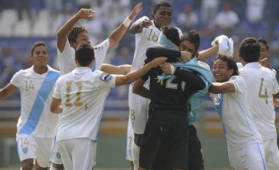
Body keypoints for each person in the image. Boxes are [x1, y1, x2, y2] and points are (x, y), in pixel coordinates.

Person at [51, 3, 143, 168]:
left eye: (88, 38)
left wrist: (131, 17)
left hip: (87, 125)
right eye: (84, 39)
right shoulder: (67, 54)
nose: (89, 41)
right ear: (72, 44)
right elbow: (60, 35)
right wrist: (78, 16)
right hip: (67, 121)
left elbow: (113, 39)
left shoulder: (95, 53)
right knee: (58, 166)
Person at [50, 44, 166, 170]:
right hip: (82, 137)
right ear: (93, 60)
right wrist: (150, 65)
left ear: (75, 60)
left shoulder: (62, 80)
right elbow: (126, 79)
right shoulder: (96, 77)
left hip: (62, 136)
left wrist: (71, 109)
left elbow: (54, 108)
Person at [133, 26, 207, 170]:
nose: (185, 51)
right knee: (177, 165)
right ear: (178, 45)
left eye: (188, 49)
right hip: (178, 120)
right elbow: (200, 84)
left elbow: (136, 87)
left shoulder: (157, 60)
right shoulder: (190, 66)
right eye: (183, 47)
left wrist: (154, 95)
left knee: (145, 165)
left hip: (159, 116)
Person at [127, 2, 181, 169]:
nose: (165, 16)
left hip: (160, 88)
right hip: (138, 85)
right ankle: (137, 166)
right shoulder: (146, 24)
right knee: (138, 136)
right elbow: (132, 29)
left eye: (168, 14)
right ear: (153, 14)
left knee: (160, 135)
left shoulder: (175, 33)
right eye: (162, 13)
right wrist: (139, 23)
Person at [0, 42, 60, 170]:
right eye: (37, 53)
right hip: (27, 129)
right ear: (31, 57)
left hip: (49, 132)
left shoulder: (57, 76)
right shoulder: (22, 75)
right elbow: (4, 92)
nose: (41, 55)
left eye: (44, 52)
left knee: (43, 167)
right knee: (27, 164)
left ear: (48, 56)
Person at [209, 55, 266, 169]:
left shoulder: (237, 81)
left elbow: (218, 88)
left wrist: (198, 78)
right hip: (233, 148)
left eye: (221, 67)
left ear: (230, 71)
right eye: (214, 67)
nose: (216, 70)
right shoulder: (212, 89)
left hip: (250, 143)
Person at [238, 37, 279, 170]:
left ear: (241, 56)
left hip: (250, 134)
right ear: (258, 54)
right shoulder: (270, 73)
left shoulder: (238, 73)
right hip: (268, 132)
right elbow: (275, 94)